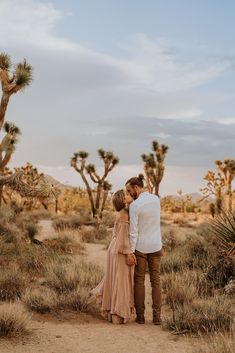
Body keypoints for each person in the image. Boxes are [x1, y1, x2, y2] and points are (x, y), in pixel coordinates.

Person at [91, 190, 136, 324]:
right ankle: (117, 314)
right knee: (120, 281)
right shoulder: (124, 216)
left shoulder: (122, 214)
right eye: (126, 194)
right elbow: (122, 239)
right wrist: (129, 253)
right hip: (119, 250)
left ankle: (112, 311)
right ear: (123, 201)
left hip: (114, 249)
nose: (129, 195)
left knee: (115, 279)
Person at [125, 174, 162, 325]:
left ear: (136, 188)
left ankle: (140, 316)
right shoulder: (156, 199)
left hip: (140, 247)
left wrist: (131, 251)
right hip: (156, 245)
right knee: (156, 281)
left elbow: (133, 231)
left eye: (129, 190)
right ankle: (157, 317)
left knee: (139, 281)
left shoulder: (135, 205)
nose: (128, 194)